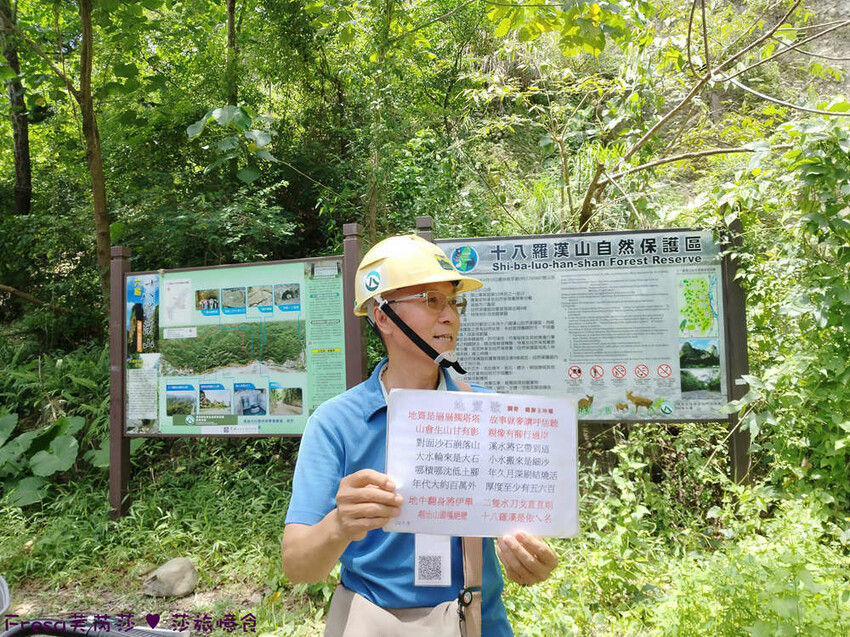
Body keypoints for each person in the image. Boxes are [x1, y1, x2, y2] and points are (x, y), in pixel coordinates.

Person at [281, 234, 558, 635]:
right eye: (431, 300)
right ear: (382, 317)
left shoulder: (487, 413)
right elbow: (298, 566)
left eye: (452, 302)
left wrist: (526, 556)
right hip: (370, 623)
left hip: (476, 621)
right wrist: (340, 524)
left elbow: (520, 527)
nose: (450, 317)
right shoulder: (335, 423)